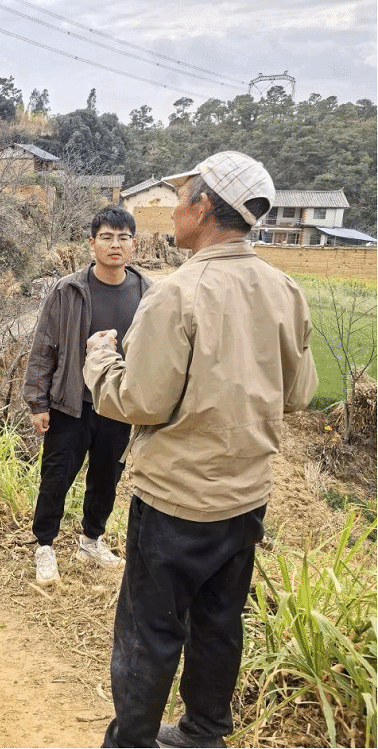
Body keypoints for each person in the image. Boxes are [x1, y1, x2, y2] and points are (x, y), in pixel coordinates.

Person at [83, 152, 318, 748]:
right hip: (246, 500)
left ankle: (131, 740)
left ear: (205, 207)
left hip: (176, 502)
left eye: (181, 196)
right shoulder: (284, 289)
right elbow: (299, 394)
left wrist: (100, 361)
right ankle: (204, 731)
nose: (172, 209)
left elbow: (140, 401)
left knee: (149, 632)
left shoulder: (178, 293)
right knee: (219, 621)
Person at [22, 206, 152, 586]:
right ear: (91, 243)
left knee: (107, 478)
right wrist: (38, 402)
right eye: (106, 237)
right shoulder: (68, 290)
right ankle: (45, 546)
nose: (115, 245)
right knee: (56, 476)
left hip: (119, 406)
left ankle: (91, 540)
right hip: (71, 404)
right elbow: (44, 346)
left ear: (133, 244)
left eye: (123, 237)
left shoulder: (148, 293)